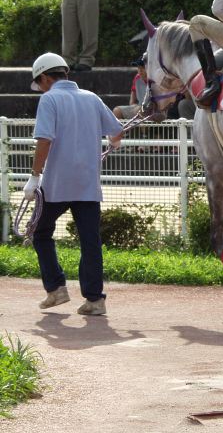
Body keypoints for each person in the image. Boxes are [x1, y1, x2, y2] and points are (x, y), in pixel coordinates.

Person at [24, 53, 123, 316]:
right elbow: (117, 132)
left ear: (45, 77)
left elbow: (44, 139)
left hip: (57, 184)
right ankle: (95, 300)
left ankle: (56, 288)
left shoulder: (49, 99)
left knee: (40, 232)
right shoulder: (91, 98)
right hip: (88, 184)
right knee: (90, 241)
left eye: (39, 83)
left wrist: (34, 176)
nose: (40, 88)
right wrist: (113, 142)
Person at [113, 53, 148, 119]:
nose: (140, 70)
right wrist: (132, 104)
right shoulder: (137, 78)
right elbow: (133, 91)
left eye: (143, 68)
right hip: (139, 106)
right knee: (117, 111)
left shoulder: (155, 79)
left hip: (151, 109)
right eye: (138, 67)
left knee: (140, 110)